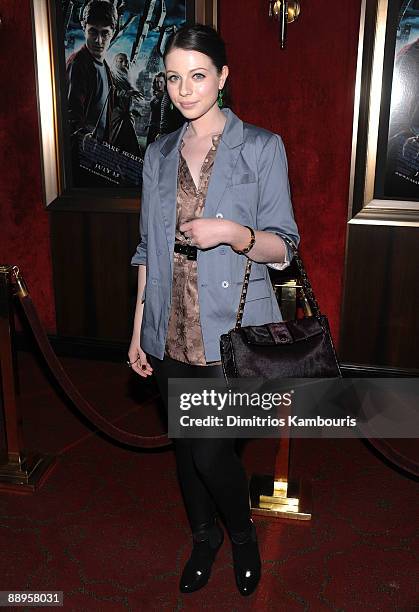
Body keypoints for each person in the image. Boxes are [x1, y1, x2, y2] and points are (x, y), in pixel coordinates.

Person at [129, 24, 299, 597]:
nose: (184, 89)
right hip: (168, 328)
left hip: (232, 331)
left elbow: (284, 249)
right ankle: (203, 537)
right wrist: (138, 333)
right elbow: (147, 250)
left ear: (223, 77)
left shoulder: (261, 146)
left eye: (197, 75)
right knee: (187, 449)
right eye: (173, 77)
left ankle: (242, 536)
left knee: (209, 451)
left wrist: (232, 232)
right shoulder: (157, 154)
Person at [109, 52, 142, 157]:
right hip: (116, 117)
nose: (124, 64)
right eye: (121, 61)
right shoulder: (112, 76)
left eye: (126, 61)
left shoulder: (128, 77)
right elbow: (110, 93)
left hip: (127, 116)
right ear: (115, 62)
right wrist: (127, 93)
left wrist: (132, 110)